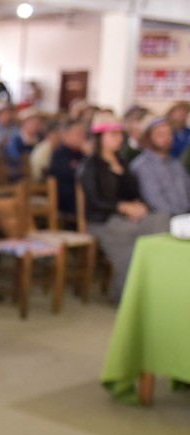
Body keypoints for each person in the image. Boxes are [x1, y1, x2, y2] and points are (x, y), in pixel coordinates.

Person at [79, 118, 171, 301]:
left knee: (162, 219)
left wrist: (138, 206)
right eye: (113, 134)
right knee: (131, 245)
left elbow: (134, 192)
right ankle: (126, 296)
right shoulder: (90, 166)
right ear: (100, 137)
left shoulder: (123, 162)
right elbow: (95, 201)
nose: (118, 138)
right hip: (103, 221)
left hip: (128, 217)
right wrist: (122, 207)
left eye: (120, 134)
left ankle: (158, 285)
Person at [129, 116, 190, 216]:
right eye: (160, 134)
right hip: (165, 222)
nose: (167, 138)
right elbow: (156, 203)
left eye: (169, 133)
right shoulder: (142, 166)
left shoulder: (175, 163)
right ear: (148, 138)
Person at [47, 120, 90, 217]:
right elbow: (78, 177)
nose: (83, 136)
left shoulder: (82, 153)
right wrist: (90, 157)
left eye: (84, 133)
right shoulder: (59, 154)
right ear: (65, 135)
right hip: (69, 200)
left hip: (85, 196)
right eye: (79, 133)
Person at [2, 109, 42, 182]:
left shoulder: (39, 139)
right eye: (34, 123)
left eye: (38, 123)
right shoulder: (14, 141)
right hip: (18, 176)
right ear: (25, 123)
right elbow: (14, 160)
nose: (37, 126)